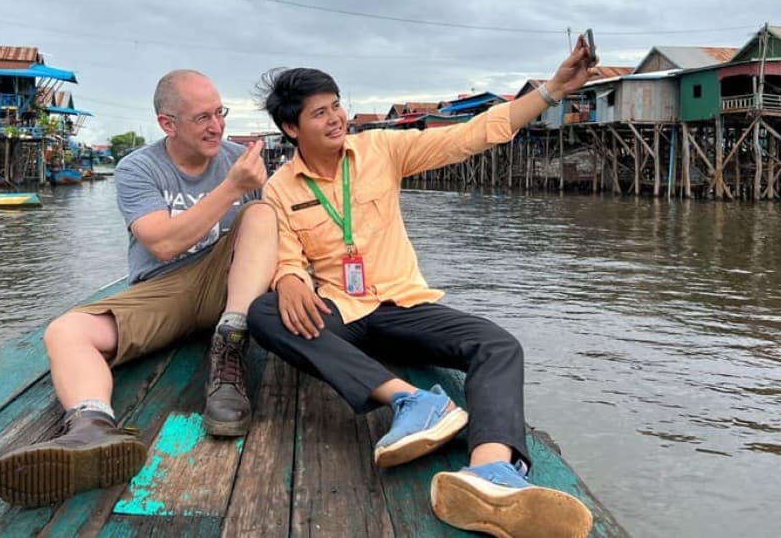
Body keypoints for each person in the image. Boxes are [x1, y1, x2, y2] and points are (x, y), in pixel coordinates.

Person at [247, 38, 598, 538]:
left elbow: (472, 135)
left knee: (497, 345)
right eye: (320, 112)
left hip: (402, 305)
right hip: (341, 312)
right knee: (264, 313)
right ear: (291, 128)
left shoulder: (380, 149)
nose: (335, 118)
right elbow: (283, 251)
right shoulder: (281, 186)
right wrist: (287, 278)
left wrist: (550, 90)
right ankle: (413, 401)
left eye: (337, 105)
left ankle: (491, 471)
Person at [0, 69, 278, 508]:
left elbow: (278, 233)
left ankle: (230, 342)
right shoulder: (139, 167)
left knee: (261, 215)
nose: (216, 126)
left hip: (232, 289)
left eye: (218, 113)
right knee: (64, 332)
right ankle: (91, 428)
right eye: (201, 117)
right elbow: (162, 244)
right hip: (167, 289)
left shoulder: (239, 159)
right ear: (168, 124)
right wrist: (231, 188)